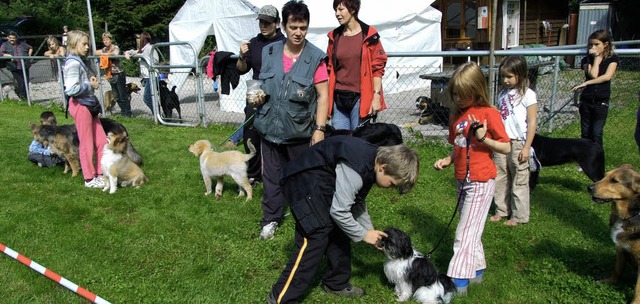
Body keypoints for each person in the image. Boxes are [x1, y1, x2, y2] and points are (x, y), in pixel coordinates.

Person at [267, 135, 419, 303]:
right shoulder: (357, 167)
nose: (391, 189)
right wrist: (363, 235)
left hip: (322, 185)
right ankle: (281, 297)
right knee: (315, 238)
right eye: (392, 184)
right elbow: (339, 211)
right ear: (383, 167)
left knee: (340, 230)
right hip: (302, 183)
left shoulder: (372, 164)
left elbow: (356, 201)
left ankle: (335, 283)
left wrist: (368, 230)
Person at [252, 0, 330, 240]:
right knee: (271, 178)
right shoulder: (269, 51)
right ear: (284, 26)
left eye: (303, 27)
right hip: (269, 128)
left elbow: (323, 95)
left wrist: (319, 129)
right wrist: (257, 96)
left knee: (301, 179)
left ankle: (307, 221)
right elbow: (263, 85)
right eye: (293, 27)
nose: (298, 33)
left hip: (299, 131)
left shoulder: (316, 57)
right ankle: (270, 220)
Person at [433, 62, 510, 295]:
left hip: (481, 180)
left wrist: (484, 139)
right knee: (471, 228)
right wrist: (449, 160)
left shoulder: (489, 114)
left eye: (462, 95)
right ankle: (476, 270)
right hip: (461, 179)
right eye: (454, 93)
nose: (457, 98)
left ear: (476, 91)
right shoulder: (456, 115)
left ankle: (457, 282)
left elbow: (506, 147)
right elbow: (459, 145)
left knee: (464, 233)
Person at [231, 4, 287, 184]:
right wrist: (241, 56)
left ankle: (276, 175)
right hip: (254, 95)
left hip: (277, 96)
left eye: (267, 22)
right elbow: (241, 70)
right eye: (261, 21)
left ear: (277, 23)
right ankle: (254, 175)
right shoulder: (253, 43)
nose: (263, 25)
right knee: (251, 134)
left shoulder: (284, 43)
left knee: (275, 137)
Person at [491, 56, 538, 227]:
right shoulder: (502, 94)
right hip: (502, 141)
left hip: (518, 141)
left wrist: (526, 147)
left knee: (519, 178)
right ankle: (502, 210)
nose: (506, 80)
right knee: (500, 175)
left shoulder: (528, 95)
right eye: (503, 76)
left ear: (521, 74)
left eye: (509, 76)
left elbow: (532, 121)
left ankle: (519, 215)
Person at [326, 0, 387, 130]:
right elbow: (329, 68)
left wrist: (376, 97)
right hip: (338, 98)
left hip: (360, 98)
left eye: (341, 10)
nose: (337, 14)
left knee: (358, 142)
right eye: (335, 10)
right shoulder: (334, 36)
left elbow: (377, 69)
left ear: (352, 10)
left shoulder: (369, 35)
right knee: (340, 142)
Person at [63, 30, 107, 188]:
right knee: (87, 143)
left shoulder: (78, 61)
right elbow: (71, 89)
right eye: (84, 44)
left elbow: (79, 84)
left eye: (88, 43)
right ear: (74, 44)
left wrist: (89, 81)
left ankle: (100, 173)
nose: (87, 47)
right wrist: (91, 85)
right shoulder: (73, 63)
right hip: (81, 106)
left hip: (88, 105)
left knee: (101, 140)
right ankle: (89, 178)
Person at [572, 29, 619, 149]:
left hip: (601, 102)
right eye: (591, 44)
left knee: (596, 132)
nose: (593, 47)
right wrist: (596, 60)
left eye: (596, 44)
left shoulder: (612, 60)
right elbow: (594, 74)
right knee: (585, 132)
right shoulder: (587, 60)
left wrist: (586, 83)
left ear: (606, 44)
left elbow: (606, 77)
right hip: (586, 100)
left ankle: (598, 159)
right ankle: (585, 159)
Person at [95, 32, 131, 117]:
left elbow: (115, 54)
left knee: (122, 95)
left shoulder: (115, 47)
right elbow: (95, 52)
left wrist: (105, 55)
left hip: (119, 74)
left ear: (110, 40)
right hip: (110, 74)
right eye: (104, 40)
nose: (105, 41)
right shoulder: (104, 49)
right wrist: (103, 54)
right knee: (116, 95)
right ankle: (123, 112)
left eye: (107, 39)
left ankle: (127, 113)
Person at [125, 32, 158, 113]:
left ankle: (158, 114)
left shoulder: (150, 48)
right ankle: (158, 115)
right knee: (150, 98)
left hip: (152, 76)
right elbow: (131, 52)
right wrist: (127, 53)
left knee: (147, 98)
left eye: (139, 39)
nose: (138, 41)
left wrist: (144, 57)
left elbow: (156, 61)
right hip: (146, 77)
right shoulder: (142, 50)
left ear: (143, 40)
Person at [0, 31, 33, 100]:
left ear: (16, 38)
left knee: (26, 82)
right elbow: (1, 53)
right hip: (14, 67)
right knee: (20, 82)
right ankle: (21, 96)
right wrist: (9, 55)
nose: (12, 39)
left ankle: (26, 98)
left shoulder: (22, 44)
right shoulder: (5, 45)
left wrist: (29, 56)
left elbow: (30, 47)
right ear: (7, 38)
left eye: (13, 38)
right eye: (10, 38)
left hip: (24, 65)